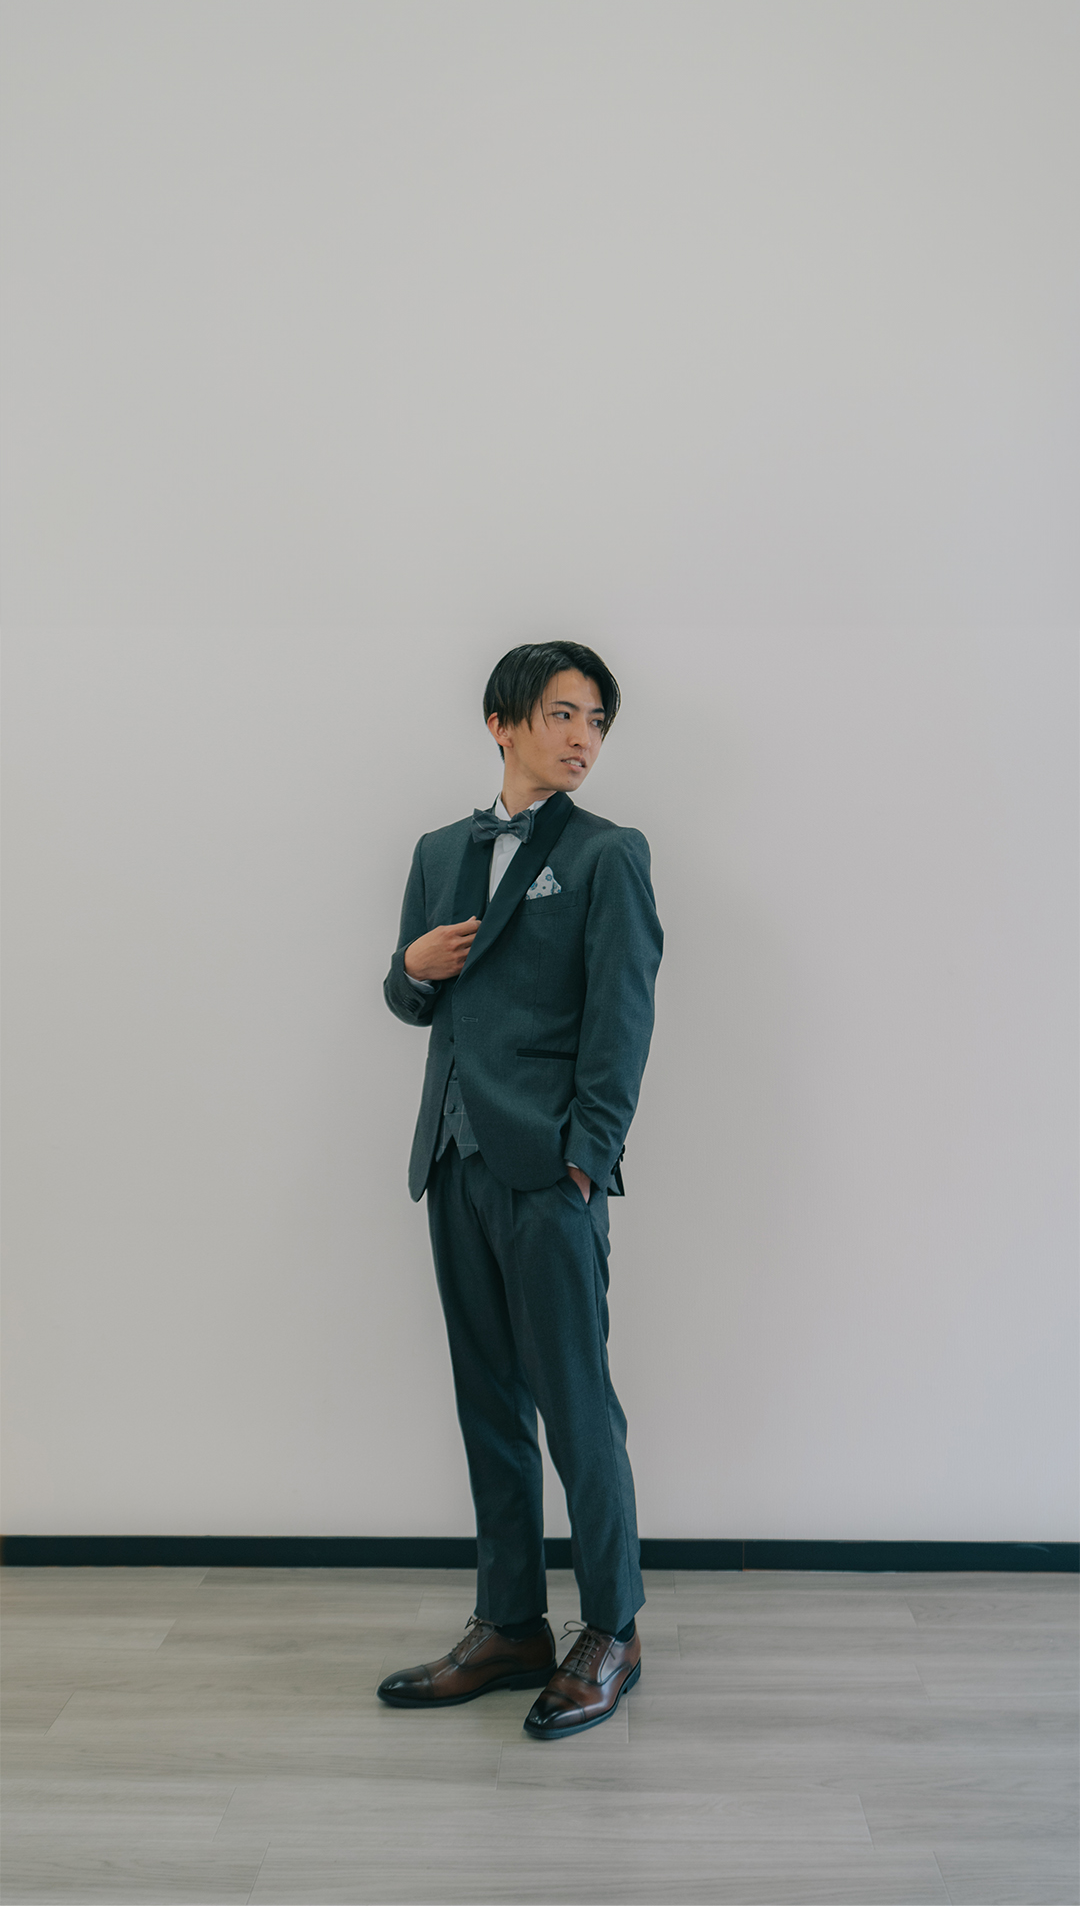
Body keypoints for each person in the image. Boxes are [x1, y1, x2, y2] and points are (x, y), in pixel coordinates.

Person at [378, 641, 663, 1738]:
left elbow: (623, 1018)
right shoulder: (438, 851)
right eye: (562, 714)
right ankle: (509, 1625)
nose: (584, 737)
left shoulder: (607, 854)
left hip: (549, 1173)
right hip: (452, 1161)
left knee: (576, 1406)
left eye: (596, 720)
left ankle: (613, 1628)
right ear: (502, 723)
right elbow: (414, 998)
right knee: (488, 1405)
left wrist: (585, 1158)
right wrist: (409, 969)